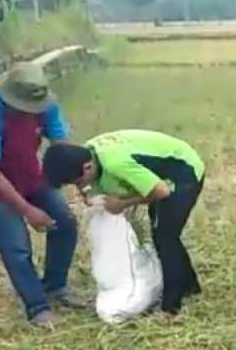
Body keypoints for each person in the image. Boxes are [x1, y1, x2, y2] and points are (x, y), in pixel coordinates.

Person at [0, 61, 84, 327]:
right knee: (16, 246)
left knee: (65, 222)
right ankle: (37, 307)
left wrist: (74, 179)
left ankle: (55, 286)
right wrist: (28, 211)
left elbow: (60, 145)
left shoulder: (45, 103)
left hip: (29, 171)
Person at [42, 130, 206, 317]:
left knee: (165, 236)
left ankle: (171, 306)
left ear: (87, 167)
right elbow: (89, 183)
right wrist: (88, 193)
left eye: (78, 182)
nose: (78, 187)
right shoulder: (85, 153)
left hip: (184, 171)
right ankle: (190, 286)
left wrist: (122, 203)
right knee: (162, 230)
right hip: (163, 173)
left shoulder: (116, 164)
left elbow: (161, 191)